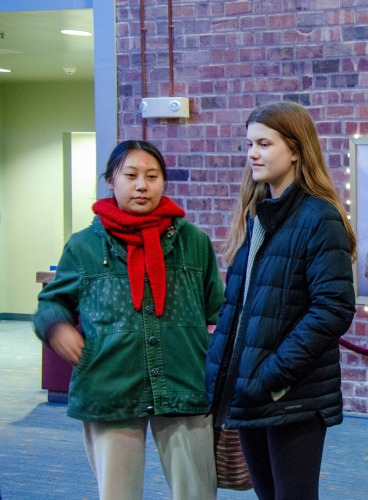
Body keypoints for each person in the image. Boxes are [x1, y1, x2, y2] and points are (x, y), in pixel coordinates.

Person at [33, 140, 225, 500]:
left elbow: (219, 310)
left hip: (184, 383)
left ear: (163, 182)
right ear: (110, 180)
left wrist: (212, 356)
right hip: (110, 384)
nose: (142, 185)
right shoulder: (84, 246)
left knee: (197, 493)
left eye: (152, 176)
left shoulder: (194, 242)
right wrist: (57, 327)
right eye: (131, 175)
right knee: (117, 494)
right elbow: (51, 303)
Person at [205, 101, 356, 500]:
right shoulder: (257, 215)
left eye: (264, 143)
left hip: (292, 393)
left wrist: (272, 375)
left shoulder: (319, 216)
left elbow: (333, 308)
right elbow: (238, 308)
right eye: (249, 143)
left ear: (294, 149)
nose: (252, 153)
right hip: (253, 389)